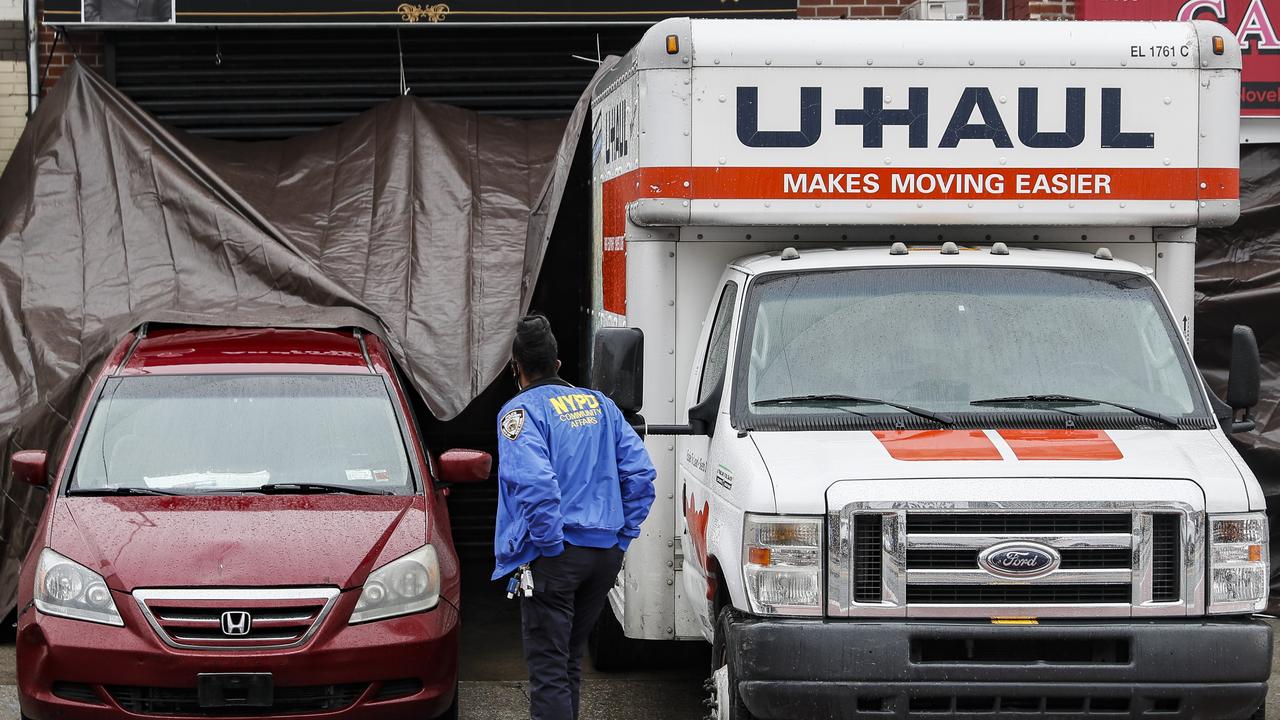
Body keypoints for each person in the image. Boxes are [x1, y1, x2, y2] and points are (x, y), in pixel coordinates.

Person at [492, 314, 657, 720]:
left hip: (556, 556)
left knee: (549, 670)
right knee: (567, 662)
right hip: (603, 557)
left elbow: (536, 484)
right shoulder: (601, 405)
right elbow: (641, 476)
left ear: (517, 369)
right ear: (558, 364)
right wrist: (622, 538)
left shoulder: (519, 413)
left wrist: (549, 546)